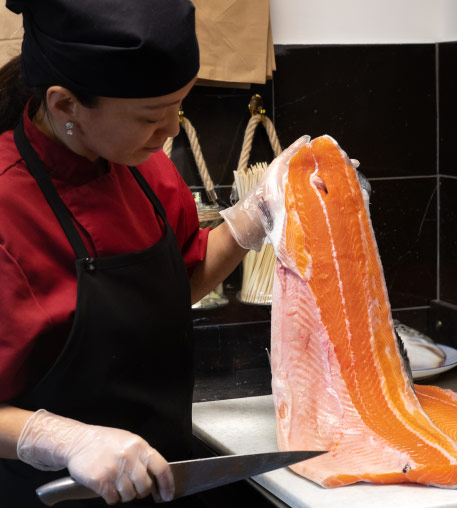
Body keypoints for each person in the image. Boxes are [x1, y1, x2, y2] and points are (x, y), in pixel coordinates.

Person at [0, 0, 306, 506]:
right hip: (46, 495)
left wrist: (255, 218)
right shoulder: (9, 211)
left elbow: (176, 283)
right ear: (65, 106)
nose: (168, 133)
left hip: (158, 481)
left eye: (177, 109)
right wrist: (65, 440)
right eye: (149, 117)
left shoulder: (143, 166)